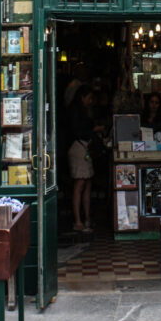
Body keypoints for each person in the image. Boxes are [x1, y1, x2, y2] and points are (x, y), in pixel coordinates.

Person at [67, 85, 104, 233]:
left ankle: (86, 218)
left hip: (85, 148)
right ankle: (78, 221)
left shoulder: (82, 111)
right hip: (79, 148)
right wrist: (94, 130)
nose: (90, 101)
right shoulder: (75, 112)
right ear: (82, 97)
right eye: (89, 98)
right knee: (80, 184)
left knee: (87, 183)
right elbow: (77, 130)